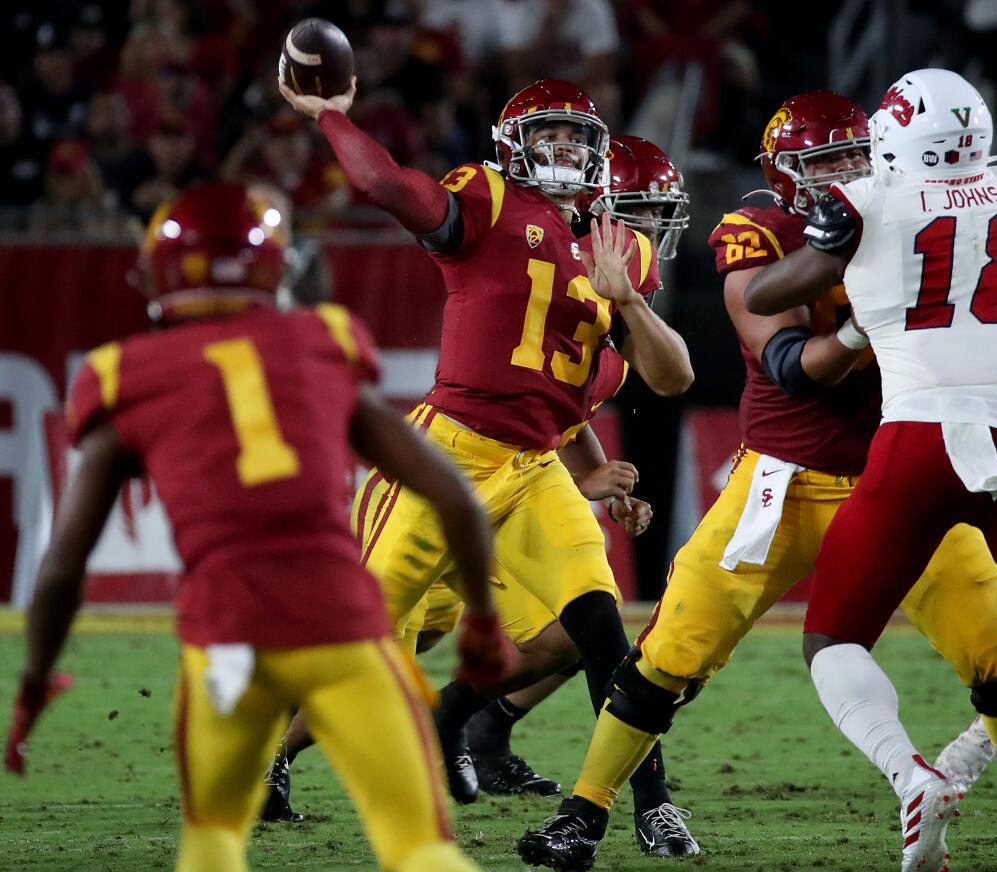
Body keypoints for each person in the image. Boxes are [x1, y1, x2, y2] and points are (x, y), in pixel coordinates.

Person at [519, 91, 997, 871]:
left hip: (897, 477)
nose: (843, 172)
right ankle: (585, 812)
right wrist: (868, 319)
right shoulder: (756, 230)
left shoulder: (911, 209)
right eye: (824, 161)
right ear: (783, 175)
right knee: (667, 654)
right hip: (783, 482)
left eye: (853, 156)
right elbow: (792, 368)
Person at [3, 182, 514, 872]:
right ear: (277, 267)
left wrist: (35, 679)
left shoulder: (124, 373)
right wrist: (481, 624)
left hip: (226, 645)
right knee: (419, 845)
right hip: (344, 633)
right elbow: (452, 494)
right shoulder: (323, 339)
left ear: (158, 275)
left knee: (213, 834)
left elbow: (63, 564)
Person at [278, 76, 700, 855]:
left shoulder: (623, 247)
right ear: (514, 146)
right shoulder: (489, 200)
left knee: (601, 629)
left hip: (533, 469)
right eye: (549, 136)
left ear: (601, 155)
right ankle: (272, 747)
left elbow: (672, 379)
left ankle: (650, 803)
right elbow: (379, 183)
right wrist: (331, 116)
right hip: (446, 455)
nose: (566, 150)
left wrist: (632, 304)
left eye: (578, 138)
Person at [743, 70, 997, 872]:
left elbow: (772, 291)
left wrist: (835, 240)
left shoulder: (868, 197)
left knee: (832, 636)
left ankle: (910, 775)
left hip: (916, 437)